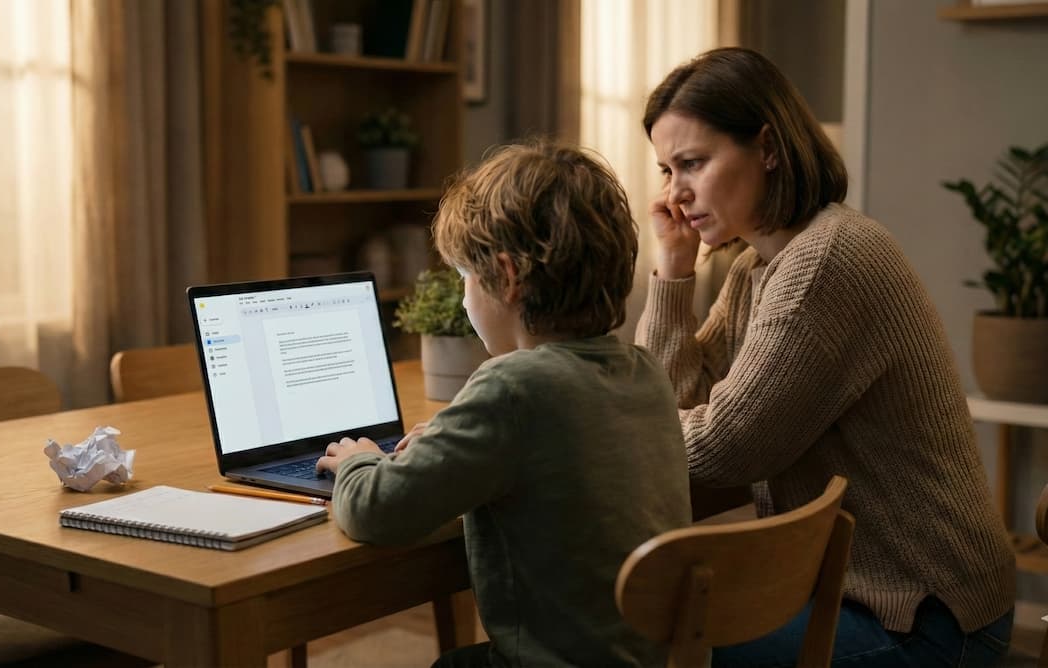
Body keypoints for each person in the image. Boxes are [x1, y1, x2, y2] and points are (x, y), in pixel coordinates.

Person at [636, 46, 1015, 667]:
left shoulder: (827, 261)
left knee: (647, 643)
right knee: (654, 626)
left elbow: (723, 448)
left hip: (927, 616)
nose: (676, 194)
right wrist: (674, 271)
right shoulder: (758, 268)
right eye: (665, 171)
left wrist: (616, 430)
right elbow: (671, 399)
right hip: (858, 596)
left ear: (768, 147)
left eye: (693, 163)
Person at [316, 140, 690, 668]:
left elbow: (379, 510)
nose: (465, 296)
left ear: (507, 278)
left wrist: (356, 461)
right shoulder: (644, 370)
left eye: (465, 277)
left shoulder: (514, 386)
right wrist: (445, 445)